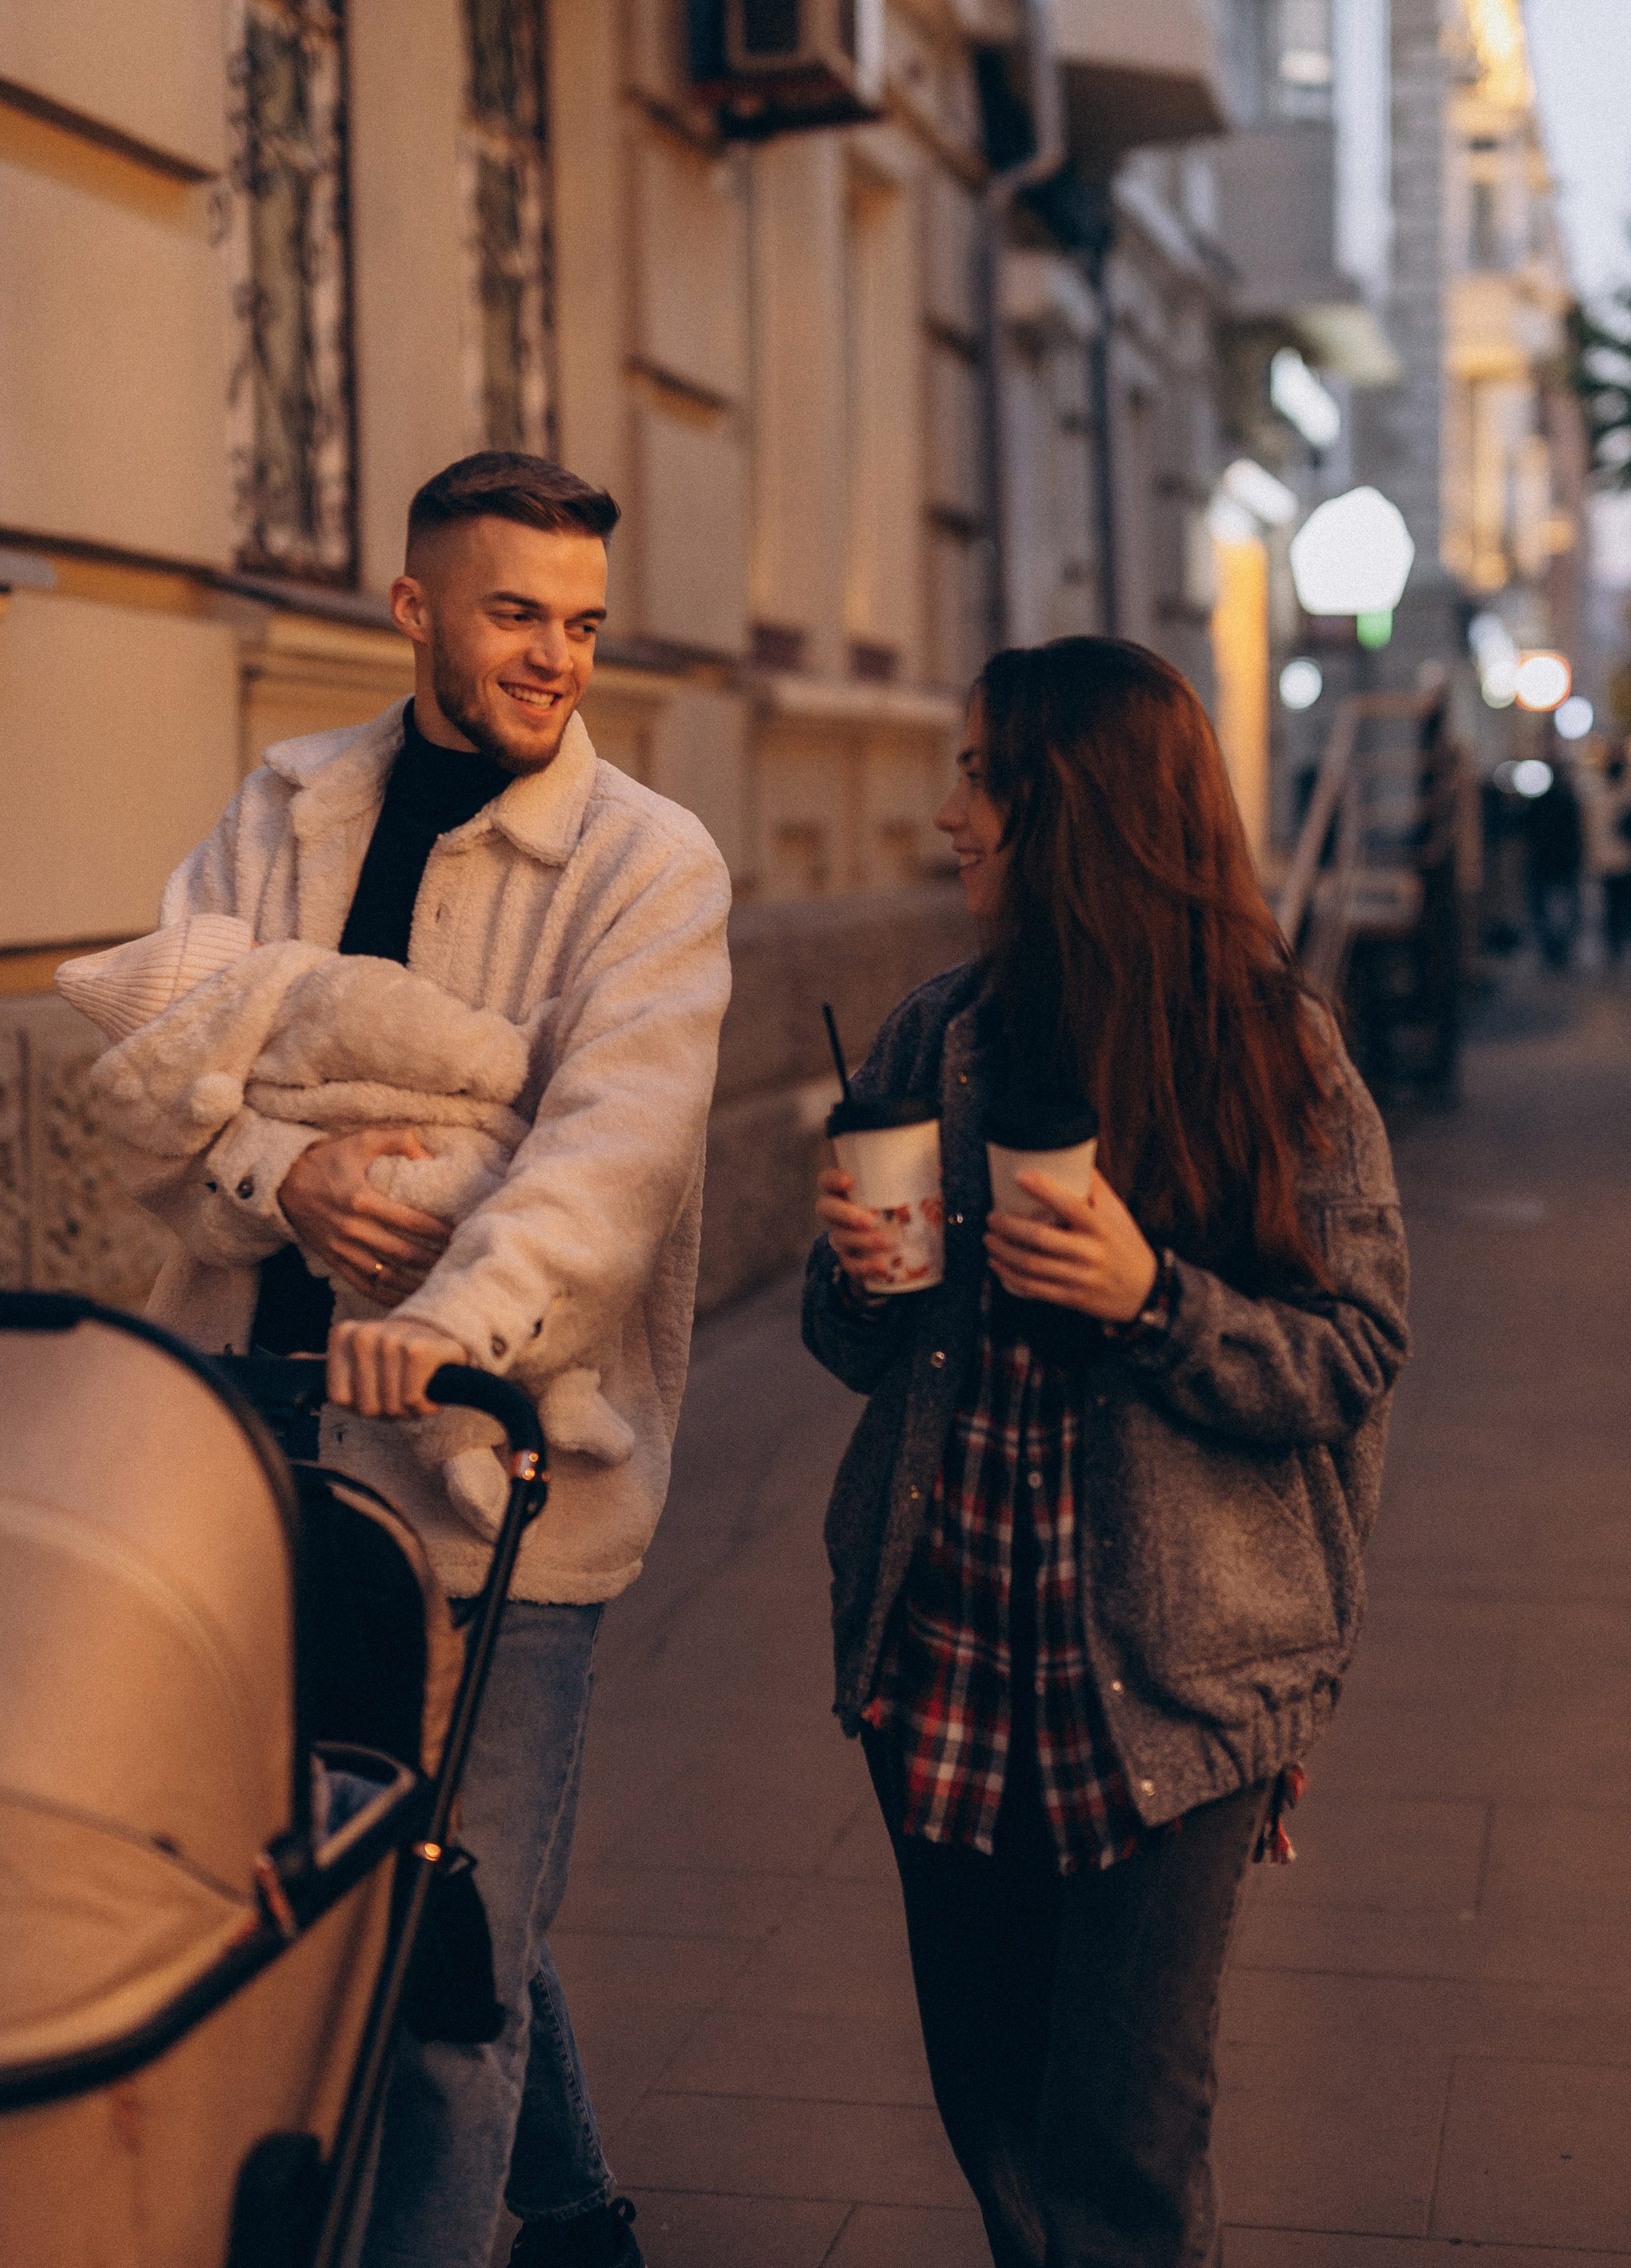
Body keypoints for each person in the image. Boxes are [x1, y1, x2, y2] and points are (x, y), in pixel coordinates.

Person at [127, 450, 733, 2268]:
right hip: (257, 1438)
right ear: (414, 611)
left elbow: (607, 1158)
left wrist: (444, 1325)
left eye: (583, 622)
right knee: (405, 1868)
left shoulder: (647, 861)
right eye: (517, 612)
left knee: (450, 1958)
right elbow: (165, 1057)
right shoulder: (288, 803)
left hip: (493, 1479)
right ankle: (577, 2211)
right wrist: (279, 1166)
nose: (558, 655)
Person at [805, 637, 1409, 2268]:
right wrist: (860, 1274)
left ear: (1072, 807)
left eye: (979, 778)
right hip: (939, 1657)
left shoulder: (1273, 1055)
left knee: (1125, 2150)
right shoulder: (936, 1037)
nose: (945, 815)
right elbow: (848, 1346)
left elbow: (1350, 1354)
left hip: (1173, 1683)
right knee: (995, 2110)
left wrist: (1154, 1301)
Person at [1522, 762, 1583, 972]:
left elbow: (1526, 830)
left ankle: (1552, 950)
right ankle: (1560, 949)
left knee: (1540, 909)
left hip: (1543, 862)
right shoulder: (1568, 801)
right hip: (1562, 862)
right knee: (1570, 910)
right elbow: (1576, 834)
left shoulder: (1537, 803)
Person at [1580, 745, 1631, 966]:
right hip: (1624, 860)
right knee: (1622, 905)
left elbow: (1589, 832)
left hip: (1604, 861)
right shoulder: (1625, 798)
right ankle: (1619, 941)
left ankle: (1614, 945)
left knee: (1611, 905)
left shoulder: (1596, 799)